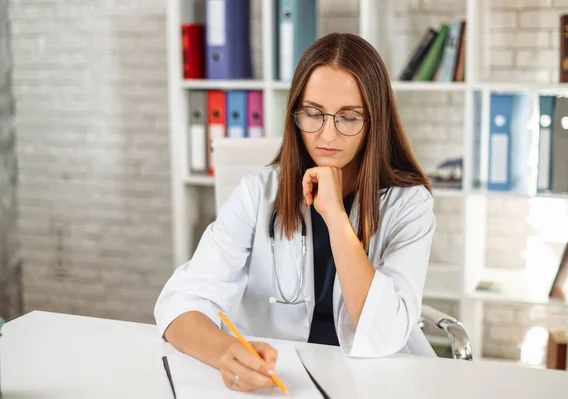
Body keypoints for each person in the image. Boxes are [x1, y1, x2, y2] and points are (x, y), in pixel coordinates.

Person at [155, 32, 436, 393]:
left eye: (348, 118)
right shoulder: (258, 193)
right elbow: (180, 303)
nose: (328, 135)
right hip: (284, 381)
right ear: (295, 115)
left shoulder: (409, 205)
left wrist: (335, 216)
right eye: (314, 114)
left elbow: (383, 332)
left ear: (374, 122)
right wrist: (227, 353)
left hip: (378, 381)